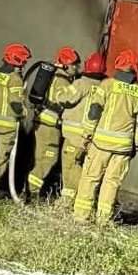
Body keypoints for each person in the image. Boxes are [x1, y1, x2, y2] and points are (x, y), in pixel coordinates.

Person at [73, 49, 138, 224]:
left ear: (118, 65)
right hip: (123, 148)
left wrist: (86, 135)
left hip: (100, 144)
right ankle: (103, 220)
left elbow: (94, 112)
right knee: (112, 182)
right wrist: (136, 145)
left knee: (90, 178)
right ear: (135, 68)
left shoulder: (106, 85)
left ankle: (81, 217)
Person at [51, 50, 105, 205]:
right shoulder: (104, 86)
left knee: (70, 165)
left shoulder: (82, 83)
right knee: (80, 164)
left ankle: (69, 200)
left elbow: (64, 98)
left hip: (74, 136)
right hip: (90, 136)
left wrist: (58, 91)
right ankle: (75, 199)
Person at [25, 46, 80, 198]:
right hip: (49, 126)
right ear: (65, 65)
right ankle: (32, 192)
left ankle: (28, 190)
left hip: (42, 122)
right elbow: (63, 102)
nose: (76, 68)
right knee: (49, 158)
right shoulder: (63, 82)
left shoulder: (54, 76)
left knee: (39, 158)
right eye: (73, 65)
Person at [0, 43, 30, 196]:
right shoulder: (15, 79)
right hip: (7, 125)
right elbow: (16, 104)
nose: (24, 64)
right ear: (17, 60)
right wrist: (24, 113)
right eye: (23, 61)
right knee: (1, 159)